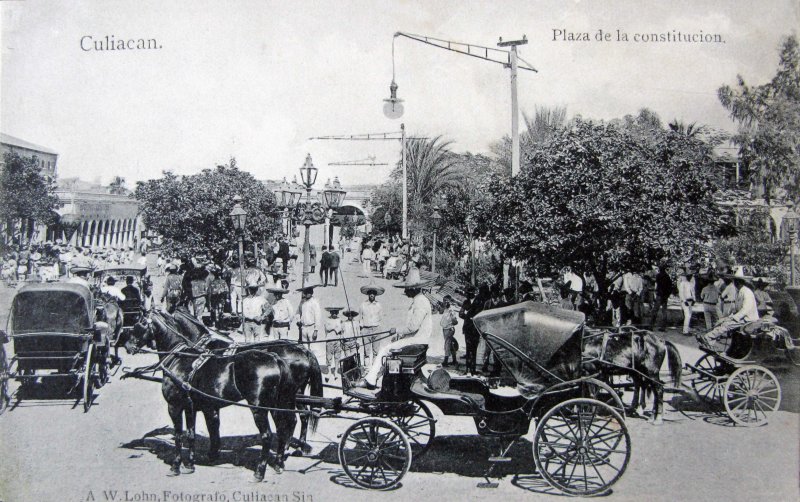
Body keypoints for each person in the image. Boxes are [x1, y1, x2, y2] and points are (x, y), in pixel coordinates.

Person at [357, 268, 432, 389]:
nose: (404, 291)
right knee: (390, 346)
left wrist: (396, 330)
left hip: (418, 341)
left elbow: (413, 327)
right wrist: (400, 336)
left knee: (384, 350)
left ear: (413, 289)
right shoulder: (418, 300)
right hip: (417, 339)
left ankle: (370, 380)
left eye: (406, 288)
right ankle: (375, 377)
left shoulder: (420, 302)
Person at [702, 270, 759, 345]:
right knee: (720, 321)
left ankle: (708, 338)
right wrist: (729, 317)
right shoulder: (739, 291)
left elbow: (745, 309)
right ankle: (711, 341)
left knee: (727, 325)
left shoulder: (747, 292)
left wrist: (734, 318)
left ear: (739, 282)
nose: (734, 283)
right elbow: (737, 309)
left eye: (735, 281)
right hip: (741, 317)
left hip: (748, 319)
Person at [358, 284, 385, 363]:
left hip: (376, 329)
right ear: (368, 294)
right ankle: (367, 369)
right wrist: (361, 329)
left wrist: (379, 328)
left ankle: (374, 369)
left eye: (373, 293)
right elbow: (360, 318)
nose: (372, 295)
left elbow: (381, 318)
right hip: (366, 329)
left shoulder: (379, 305)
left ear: (375, 295)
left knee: (376, 351)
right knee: (366, 351)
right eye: (370, 293)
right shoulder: (363, 305)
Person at [459, 286, 480, 375]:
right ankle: (468, 368)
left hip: (475, 328)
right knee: (468, 348)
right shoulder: (465, 302)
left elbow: (480, 314)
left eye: (470, 293)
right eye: (468, 293)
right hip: (468, 327)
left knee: (474, 348)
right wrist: (468, 318)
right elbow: (460, 313)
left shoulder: (478, 302)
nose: (469, 295)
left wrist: (473, 318)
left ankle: (473, 368)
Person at [650, 265, 673, 331]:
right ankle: (663, 327)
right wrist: (667, 295)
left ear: (660, 269)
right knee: (664, 311)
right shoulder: (667, 276)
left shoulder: (658, 276)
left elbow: (656, 285)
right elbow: (670, 287)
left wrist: (656, 293)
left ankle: (651, 326)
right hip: (665, 295)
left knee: (655, 310)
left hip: (659, 295)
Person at [323, 307, 344, 380]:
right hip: (329, 340)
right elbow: (327, 328)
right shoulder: (327, 319)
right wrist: (334, 327)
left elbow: (341, 328)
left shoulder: (340, 319)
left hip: (337, 340)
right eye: (333, 312)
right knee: (329, 356)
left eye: (336, 312)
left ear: (338, 312)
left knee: (337, 356)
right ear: (330, 312)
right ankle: (329, 372)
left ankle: (336, 371)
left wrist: (336, 328)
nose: (334, 314)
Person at [440, 295, 459, 369]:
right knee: (450, 345)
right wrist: (441, 306)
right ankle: (454, 360)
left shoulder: (452, 310)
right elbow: (440, 311)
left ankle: (445, 361)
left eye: (447, 301)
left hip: (450, 329)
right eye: (444, 301)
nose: (445, 302)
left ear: (450, 302)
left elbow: (455, 322)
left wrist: (452, 316)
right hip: (445, 329)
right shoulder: (445, 309)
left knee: (447, 345)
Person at [678, 269, 696, 336]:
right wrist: (684, 300)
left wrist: (694, 299)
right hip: (685, 301)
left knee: (689, 315)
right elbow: (681, 293)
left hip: (690, 301)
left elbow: (693, 292)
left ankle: (687, 329)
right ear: (686, 276)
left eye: (691, 276)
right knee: (687, 315)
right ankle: (685, 331)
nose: (690, 277)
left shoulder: (691, 283)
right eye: (688, 276)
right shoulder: (683, 283)